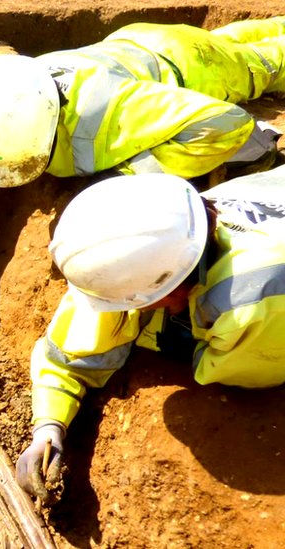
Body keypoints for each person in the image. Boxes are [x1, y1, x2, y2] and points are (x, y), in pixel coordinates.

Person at [0, 18, 285, 370]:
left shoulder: (110, 110)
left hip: (194, 65)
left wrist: (128, 178)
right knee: (251, 33)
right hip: (133, 45)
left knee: (267, 61)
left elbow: (226, 124)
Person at [14, 170, 285, 503]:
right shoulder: (173, 229)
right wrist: (48, 427)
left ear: (170, 290)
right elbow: (74, 345)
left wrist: (166, 331)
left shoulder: (250, 304)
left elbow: (245, 374)